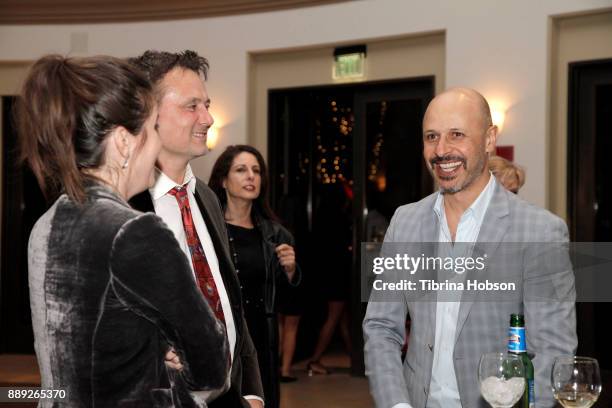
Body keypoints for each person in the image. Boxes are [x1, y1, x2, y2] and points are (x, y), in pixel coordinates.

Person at [19, 55, 229, 407]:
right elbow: (211, 364)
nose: (156, 146)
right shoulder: (134, 232)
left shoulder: (47, 222)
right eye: (150, 132)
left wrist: (153, 346)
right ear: (122, 143)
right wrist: (169, 365)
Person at [363, 87, 577, 408]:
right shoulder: (404, 223)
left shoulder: (540, 231)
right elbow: (381, 326)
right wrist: (396, 404)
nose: (442, 150)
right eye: (431, 137)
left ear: (489, 139)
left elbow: (552, 349)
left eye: (457, 134)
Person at [129, 50, 264, 408]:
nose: (208, 117)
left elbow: (230, 301)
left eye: (207, 104)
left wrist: (251, 392)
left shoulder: (205, 197)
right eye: (192, 106)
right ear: (148, 113)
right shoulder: (120, 206)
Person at [208, 145, 300, 408]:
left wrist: (291, 271)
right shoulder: (207, 231)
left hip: (261, 341)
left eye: (256, 171)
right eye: (241, 170)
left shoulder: (276, 235)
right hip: (221, 338)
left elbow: (291, 304)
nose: (251, 176)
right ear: (224, 180)